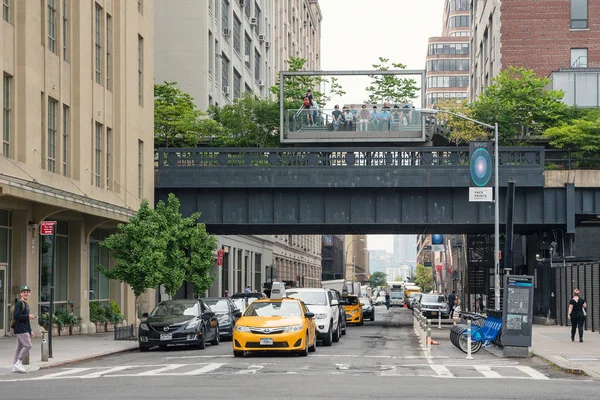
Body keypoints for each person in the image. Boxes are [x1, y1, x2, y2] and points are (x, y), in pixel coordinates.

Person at [12, 285, 36, 374]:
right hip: (20, 328)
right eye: (24, 292)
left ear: (29, 293)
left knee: (19, 347)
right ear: (21, 293)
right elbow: (16, 316)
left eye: (27, 292)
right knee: (28, 345)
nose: (26, 293)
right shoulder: (19, 303)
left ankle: (15, 365)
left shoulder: (26, 304)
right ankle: (18, 363)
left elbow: (27, 320)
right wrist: (27, 316)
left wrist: (30, 331)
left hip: (24, 328)